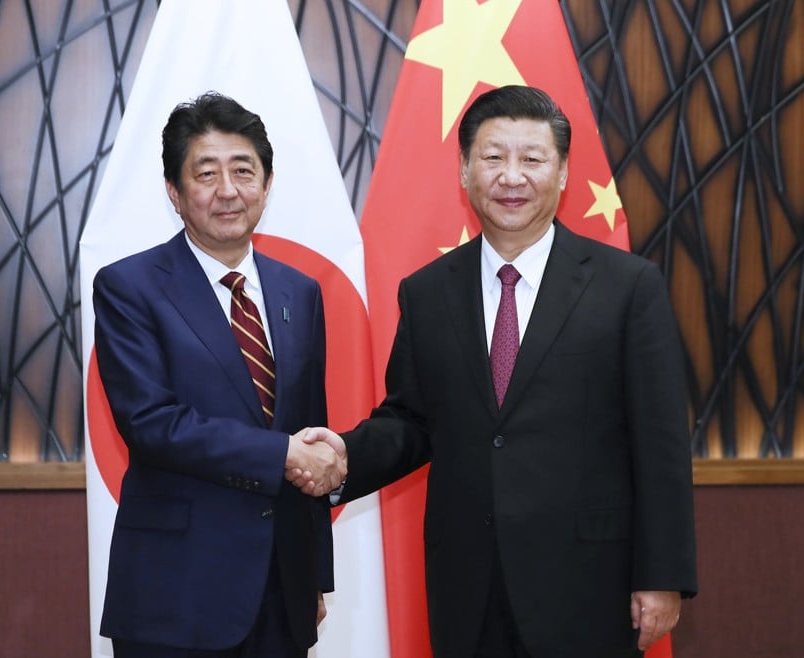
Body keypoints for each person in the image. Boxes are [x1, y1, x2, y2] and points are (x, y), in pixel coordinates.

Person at [293, 85, 697, 657]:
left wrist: (663, 574)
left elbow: (661, 443)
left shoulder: (627, 287)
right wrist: (341, 459)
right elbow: (412, 420)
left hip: (588, 582)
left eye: (532, 159)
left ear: (561, 173)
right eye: (493, 157)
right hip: (468, 581)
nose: (512, 176)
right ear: (463, 171)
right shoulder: (429, 292)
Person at [92, 91, 345, 658]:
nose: (227, 191)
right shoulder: (129, 288)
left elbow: (310, 432)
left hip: (282, 591)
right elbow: (152, 424)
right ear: (174, 192)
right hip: (175, 593)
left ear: (267, 182)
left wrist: (314, 577)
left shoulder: (299, 292)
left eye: (243, 171)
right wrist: (280, 454)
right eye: (205, 173)